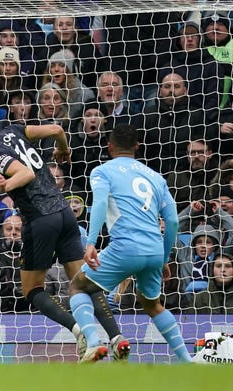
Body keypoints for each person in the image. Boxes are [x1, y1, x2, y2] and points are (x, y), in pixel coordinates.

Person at [0, 115, 124, 358]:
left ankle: (80, 333)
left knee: (31, 289)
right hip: (64, 213)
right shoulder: (12, 131)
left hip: (40, 218)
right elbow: (55, 128)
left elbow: (26, 174)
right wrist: (64, 150)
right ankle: (116, 337)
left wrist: (6, 187)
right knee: (82, 283)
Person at [68, 124, 192, 363]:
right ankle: (187, 360)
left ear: (109, 146)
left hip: (126, 246)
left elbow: (101, 203)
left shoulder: (102, 171)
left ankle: (93, 342)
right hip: (154, 250)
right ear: (137, 146)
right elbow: (173, 221)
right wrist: (165, 258)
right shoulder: (156, 177)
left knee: (79, 286)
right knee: (152, 304)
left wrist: (91, 242)